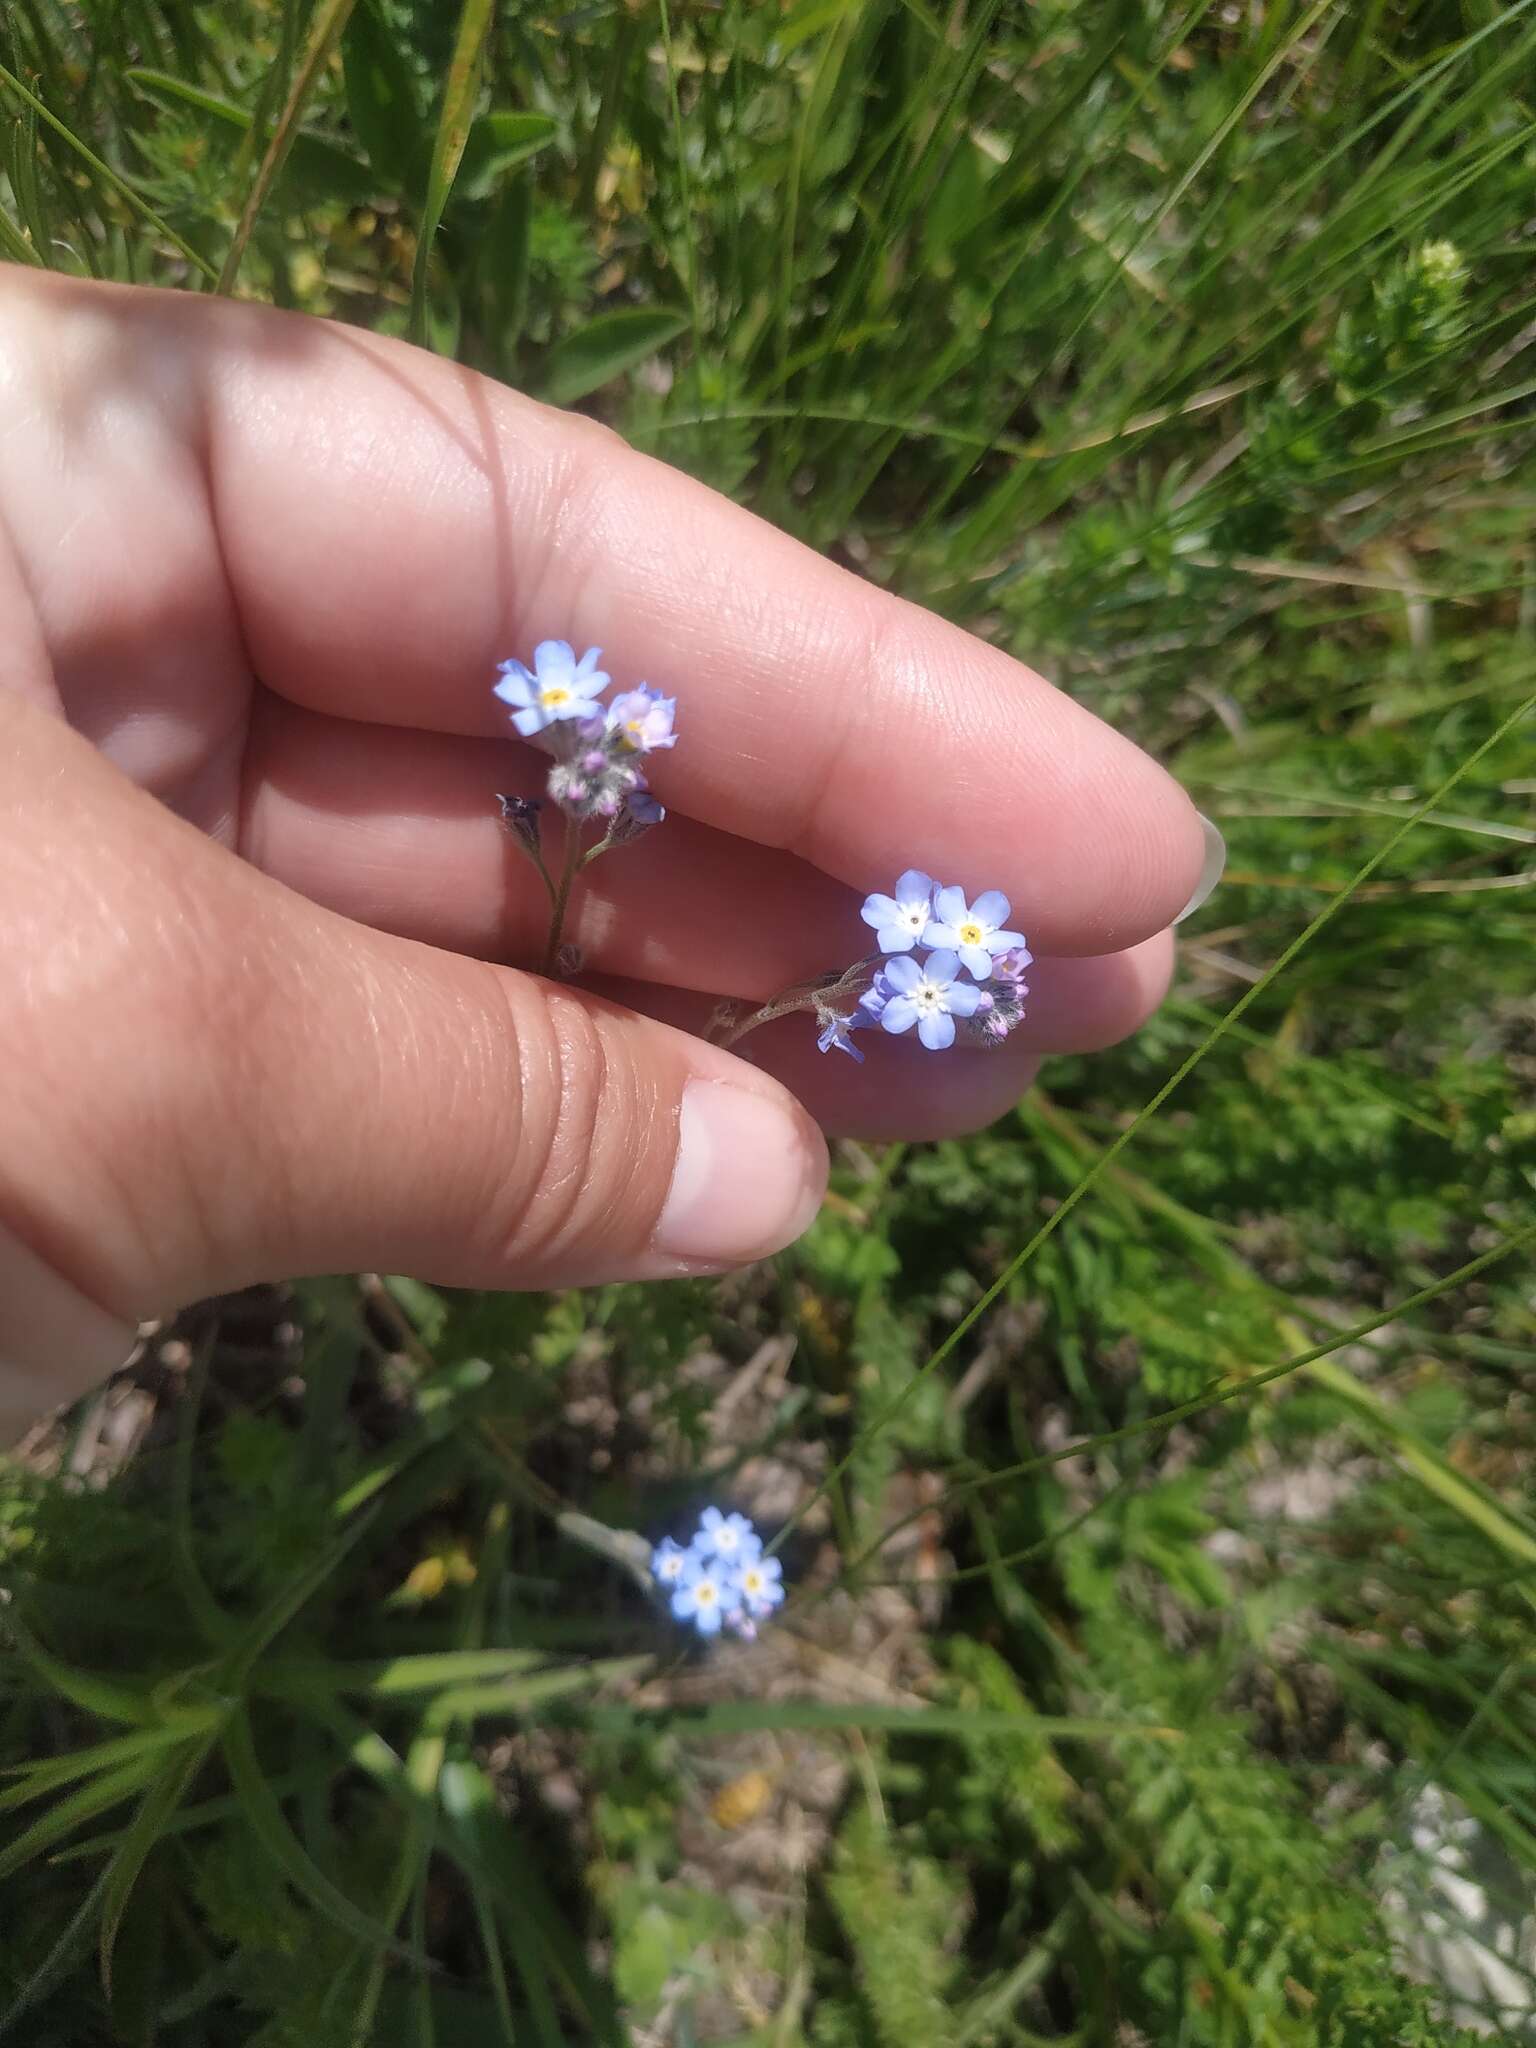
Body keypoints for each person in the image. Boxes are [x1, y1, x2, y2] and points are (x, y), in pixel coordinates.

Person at [0, 272, 1223, 1440]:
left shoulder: (917, 955)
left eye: (954, 950)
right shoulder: (597, 767)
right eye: (950, 948)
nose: (949, 951)